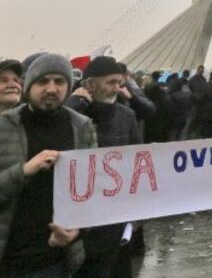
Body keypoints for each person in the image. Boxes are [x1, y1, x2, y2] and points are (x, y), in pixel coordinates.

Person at [0, 53, 97, 277]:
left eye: (59, 81)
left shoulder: (82, 127)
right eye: (43, 81)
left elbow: (93, 194)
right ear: (28, 86)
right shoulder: (5, 126)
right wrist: (24, 170)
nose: (52, 89)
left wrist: (77, 232)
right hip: (10, 258)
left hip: (56, 261)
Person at [66, 56, 140, 278]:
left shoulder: (127, 116)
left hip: (116, 211)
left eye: (119, 82)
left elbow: (138, 160)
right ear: (90, 84)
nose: (116, 88)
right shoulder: (75, 115)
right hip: (83, 214)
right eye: (110, 82)